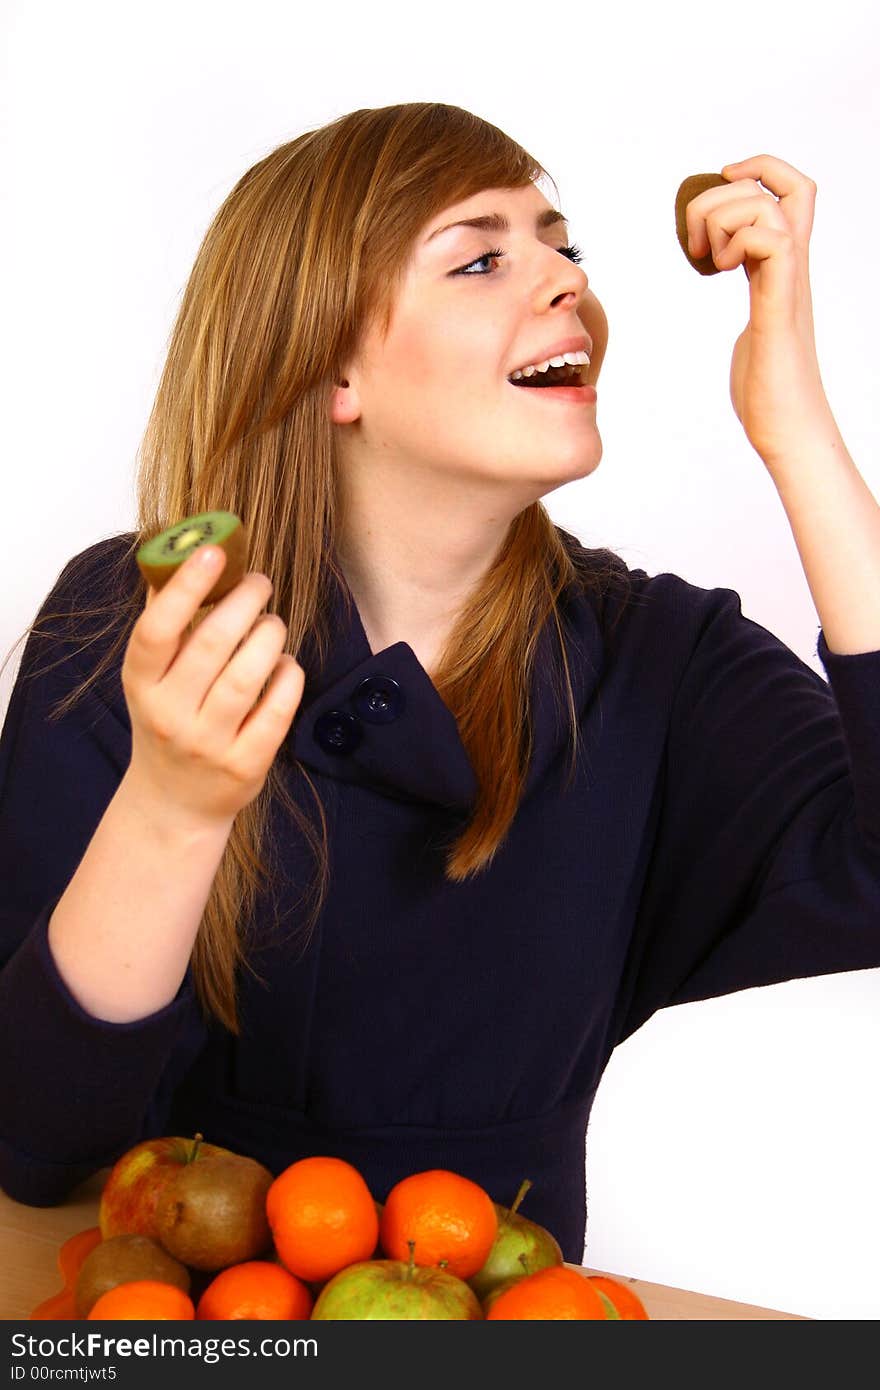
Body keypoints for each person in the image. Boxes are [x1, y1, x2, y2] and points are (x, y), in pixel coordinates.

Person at [1, 103, 878, 1266]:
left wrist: (798, 431)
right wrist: (174, 804)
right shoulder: (140, 622)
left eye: (563, 245)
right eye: (480, 257)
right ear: (330, 373)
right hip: (181, 1325)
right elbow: (37, 1144)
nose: (567, 280)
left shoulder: (662, 659)